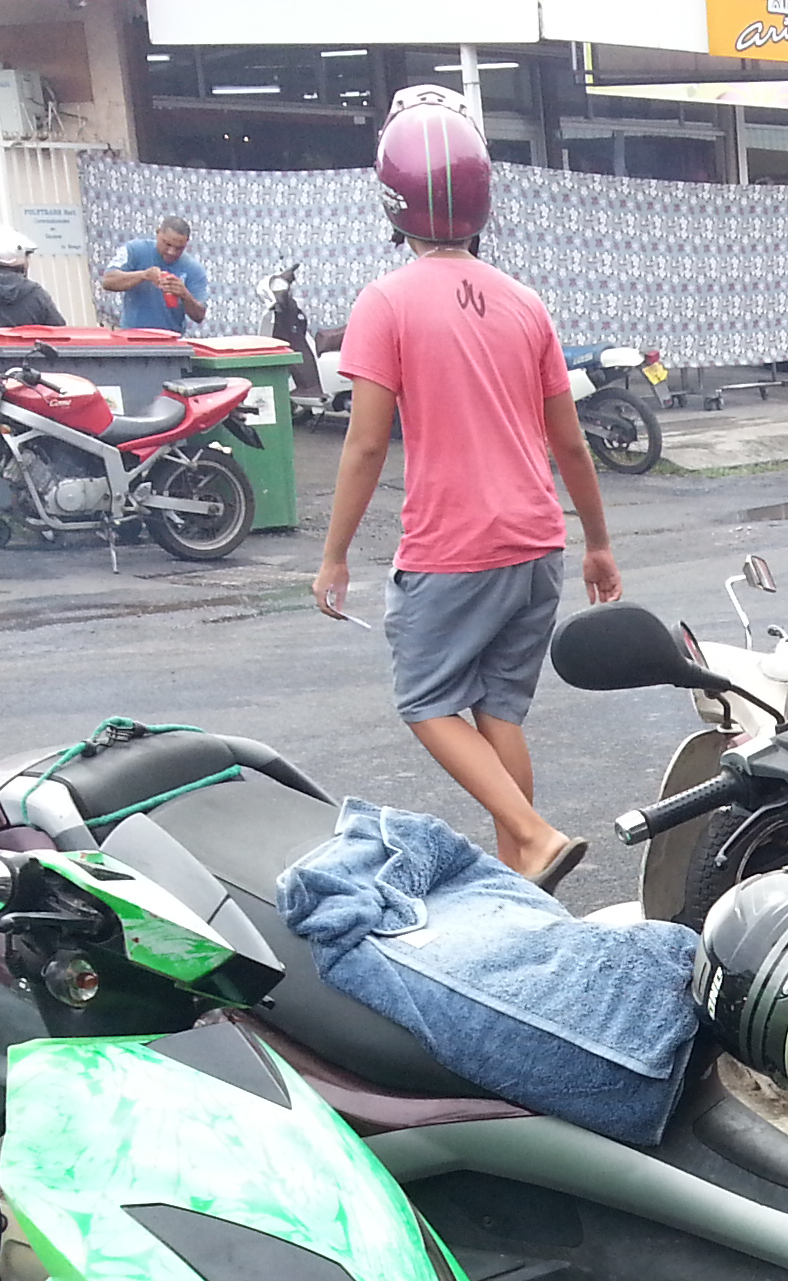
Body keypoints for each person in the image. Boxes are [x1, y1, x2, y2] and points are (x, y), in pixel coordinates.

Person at [313, 90, 622, 891]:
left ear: (392, 198)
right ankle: (520, 872)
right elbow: (572, 443)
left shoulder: (386, 301)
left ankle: (531, 833)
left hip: (453, 547)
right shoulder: (526, 304)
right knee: (498, 712)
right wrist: (597, 541)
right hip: (535, 545)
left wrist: (335, 554)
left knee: (424, 699)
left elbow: (367, 441)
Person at [100, 215, 207, 332]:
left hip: (171, 340)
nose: (171, 252)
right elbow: (108, 281)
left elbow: (199, 316)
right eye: (167, 244)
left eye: (179, 248)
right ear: (157, 233)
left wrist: (185, 295)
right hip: (133, 336)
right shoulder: (135, 250)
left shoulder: (194, 269)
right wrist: (143, 275)